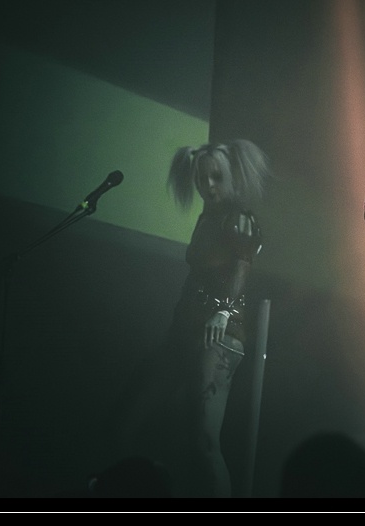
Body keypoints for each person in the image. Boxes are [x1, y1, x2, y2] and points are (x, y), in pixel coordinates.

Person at [112, 139, 270, 499]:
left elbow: (243, 264)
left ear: (231, 178)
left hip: (218, 336)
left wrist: (223, 310)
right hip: (183, 330)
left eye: (216, 178)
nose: (208, 186)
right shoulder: (208, 217)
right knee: (135, 421)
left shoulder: (239, 218)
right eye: (202, 179)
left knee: (204, 441)